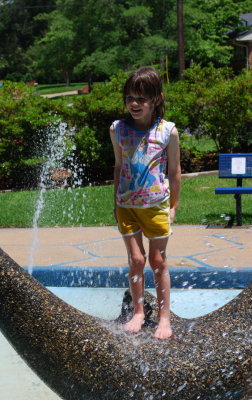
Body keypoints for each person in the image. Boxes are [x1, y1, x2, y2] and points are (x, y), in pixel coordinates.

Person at [110, 67, 181, 340]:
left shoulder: (167, 132)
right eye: (130, 97)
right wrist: (115, 202)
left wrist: (173, 207)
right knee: (136, 260)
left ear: (156, 99)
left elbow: (174, 173)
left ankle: (164, 317)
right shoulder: (118, 129)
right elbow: (118, 166)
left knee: (157, 261)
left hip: (155, 206)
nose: (134, 104)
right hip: (126, 205)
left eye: (141, 98)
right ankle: (139, 311)